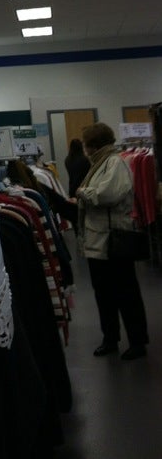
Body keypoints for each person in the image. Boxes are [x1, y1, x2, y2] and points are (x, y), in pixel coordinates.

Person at [74, 122, 149, 360]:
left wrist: (82, 192)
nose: (84, 149)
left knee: (126, 293)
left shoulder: (115, 163)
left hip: (114, 241)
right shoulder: (100, 164)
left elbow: (108, 194)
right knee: (104, 294)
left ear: (92, 146)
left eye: (85, 144)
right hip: (99, 241)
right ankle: (110, 338)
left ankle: (137, 342)